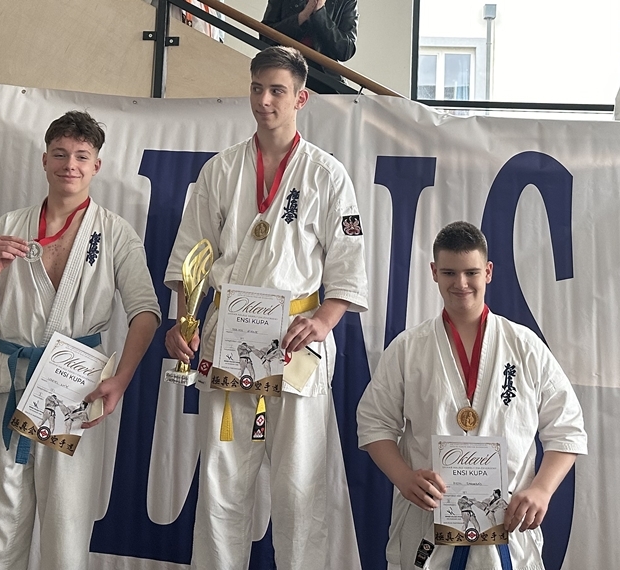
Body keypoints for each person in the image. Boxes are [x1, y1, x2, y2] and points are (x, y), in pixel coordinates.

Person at [164, 45, 368, 569]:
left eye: (277, 91)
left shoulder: (327, 174)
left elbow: (347, 264)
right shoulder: (221, 169)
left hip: (296, 344)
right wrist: (185, 321)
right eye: (257, 89)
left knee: (300, 488)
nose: (264, 101)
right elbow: (192, 256)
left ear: (301, 98)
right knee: (221, 484)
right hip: (228, 338)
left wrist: (323, 320)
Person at [0, 110, 160, 570]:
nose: (70, 164)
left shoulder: (115, 233)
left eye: (81, 156)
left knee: (66, 525)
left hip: (75, 388)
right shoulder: (10, 225)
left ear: (96, 166)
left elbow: (145, 313)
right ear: (44, 160)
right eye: (60, 154)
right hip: (9, 383)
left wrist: (121, 379)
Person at [356, 221, 587, 569]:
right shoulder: (408, 348)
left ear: (488, 272)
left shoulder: (524, 346)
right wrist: (404, 478)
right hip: (430, 522)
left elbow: (567, 428)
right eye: (449, 272)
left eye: (471, 272)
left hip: (507, 523)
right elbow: (374, 423)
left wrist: (542, 489)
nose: (461, 283)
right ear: (434, 272)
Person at [261, 0, 358, 92]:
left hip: (323, 77)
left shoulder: (347, 2)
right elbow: (265, 36)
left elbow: (346, 51)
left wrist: (320, 13)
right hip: (281, 65)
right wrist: (302, 16)